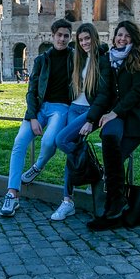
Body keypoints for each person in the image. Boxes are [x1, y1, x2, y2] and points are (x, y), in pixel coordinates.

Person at [87, 21, 140, 231]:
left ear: (134, 39)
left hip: (139, 115)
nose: (122, 39)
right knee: (109, 139)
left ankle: (113, 209)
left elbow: (136, 93)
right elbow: (108, 91)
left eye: (127, 36)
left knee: (115, 158)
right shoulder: (111, 59)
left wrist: (113, 113)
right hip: (120, 114)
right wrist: (99, 116)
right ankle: (115, 205)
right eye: (119, 35)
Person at [0, 19, 73, 217]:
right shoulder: (42, 60)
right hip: (40, 108)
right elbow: (31, 90)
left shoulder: (75, 58)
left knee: (49, 142)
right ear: (52, 36)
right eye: (59, 35)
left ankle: (37, 167)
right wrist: (32, 117)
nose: (62, 39)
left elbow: (96, 50)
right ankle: (12, 193)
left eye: (66, 35)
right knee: (19, 142)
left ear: (70, 37)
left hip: (61, 108)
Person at [51, 23, 112, 221]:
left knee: (61, 140)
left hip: (88, 111)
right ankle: (67, 201)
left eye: (88, 38)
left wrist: (91, 119)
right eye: (81, 40)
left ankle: (93, 172)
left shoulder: (103, 60)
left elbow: (104, 93)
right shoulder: (78, 58)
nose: (85, 43)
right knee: (72, 156)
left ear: (94, 38)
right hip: (73, 108)